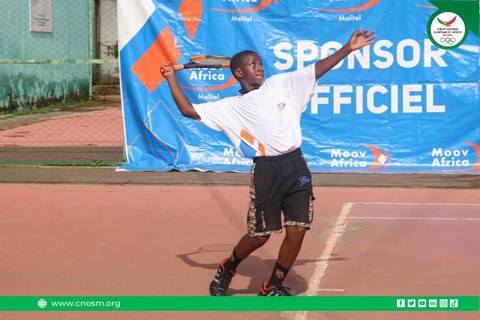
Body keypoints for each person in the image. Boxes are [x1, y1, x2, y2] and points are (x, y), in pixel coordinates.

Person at [160, 28, 376, 296]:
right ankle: (228, 267)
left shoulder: (280, 85)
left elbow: (316, 70)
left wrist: (347, 48)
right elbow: (188, 110)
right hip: (266, 171)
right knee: (260, 236)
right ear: (239, 72)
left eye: (260, 63)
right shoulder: (230, 107)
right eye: (253, 64)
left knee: (297, 230)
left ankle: (273, 284)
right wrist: (171, 78)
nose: (259, 67)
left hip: (296, 165)